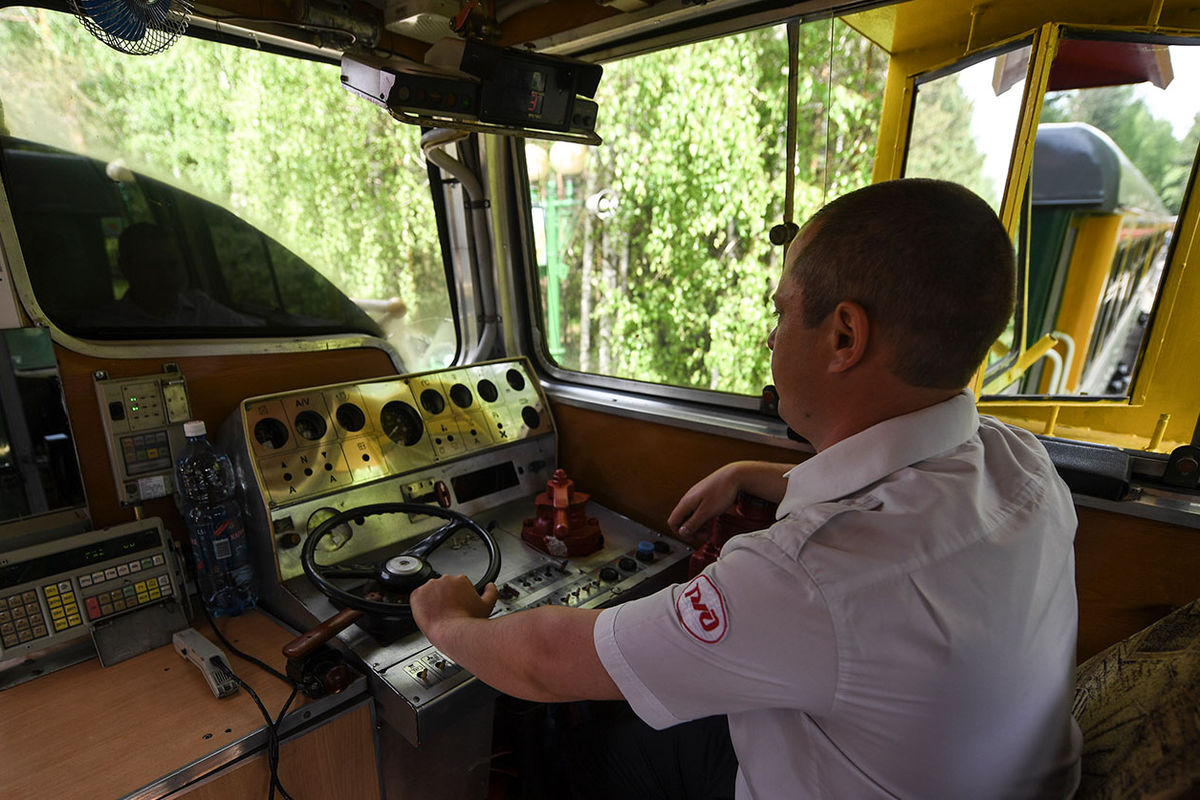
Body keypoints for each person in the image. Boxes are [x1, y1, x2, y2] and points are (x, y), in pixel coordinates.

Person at [410, 179, 1082, 799]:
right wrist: (754, 474)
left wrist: (445, 622)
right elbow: (902, 515)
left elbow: (545, 662)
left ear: (844, 335)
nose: (770, 334)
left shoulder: (814, 573)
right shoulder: (1022, 464)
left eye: (783, 311)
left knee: (575, 761)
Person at [82, 222, 262, 328]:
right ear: (127, 268)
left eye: (173, 264)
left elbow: (254, 335)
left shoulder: (201, 309)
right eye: (153, 267)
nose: (167, 276)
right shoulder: (103, 327)